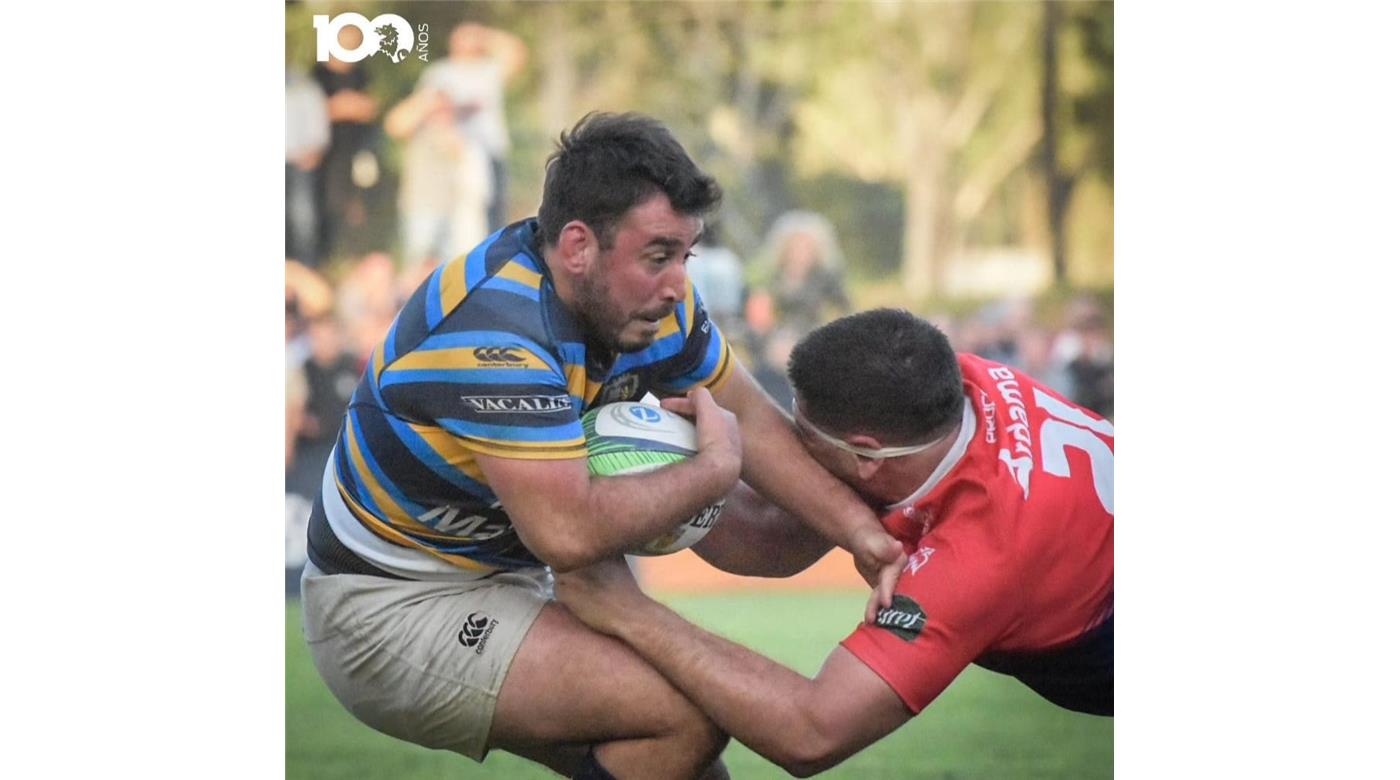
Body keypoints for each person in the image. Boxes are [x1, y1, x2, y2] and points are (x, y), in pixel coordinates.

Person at [299, 113, 903, 779]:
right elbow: (567, 532)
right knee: (681, 716)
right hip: (390, 602)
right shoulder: (494, 330)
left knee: (687, 757)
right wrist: (712, 469)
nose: (678, 284)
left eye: (685, 255)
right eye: (657, 255)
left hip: (501, 570)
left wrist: (861, 533)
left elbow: (754, 425)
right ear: (580, 246)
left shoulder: (651, 306)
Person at [556, 307, 1114, 777]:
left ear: (865, 455)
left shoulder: (982, 551)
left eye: (803, 435)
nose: (789, 449)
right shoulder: (954, 390)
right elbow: (772, 538)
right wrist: (669, 484)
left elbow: (811, 732)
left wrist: (629, 611)